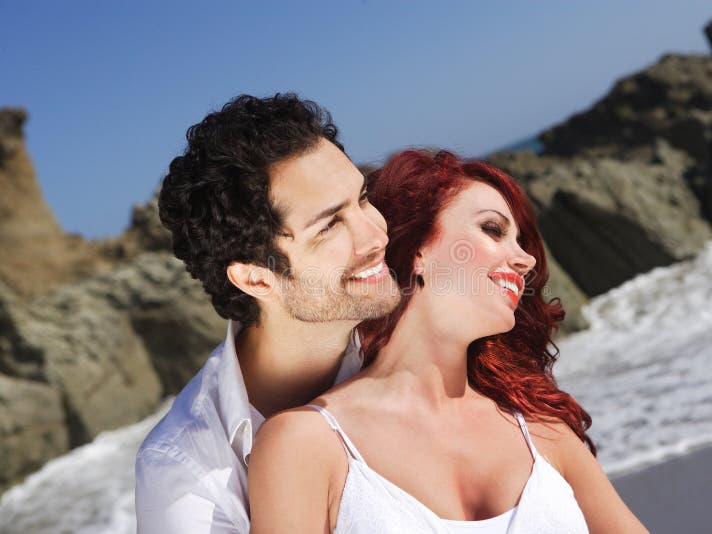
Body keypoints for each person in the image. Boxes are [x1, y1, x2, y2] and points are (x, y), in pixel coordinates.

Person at [248, 149, 649, 533]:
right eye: (493, 230)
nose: (524, 259)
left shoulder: (543, 431)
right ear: (419, 248)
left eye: (521, 242)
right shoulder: (306, 443)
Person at [135, 93, 400, 533]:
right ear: (258, 280)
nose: (377, 235)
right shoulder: (187, 472)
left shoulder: (413, 327)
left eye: (364, 198)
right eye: (331, 224)